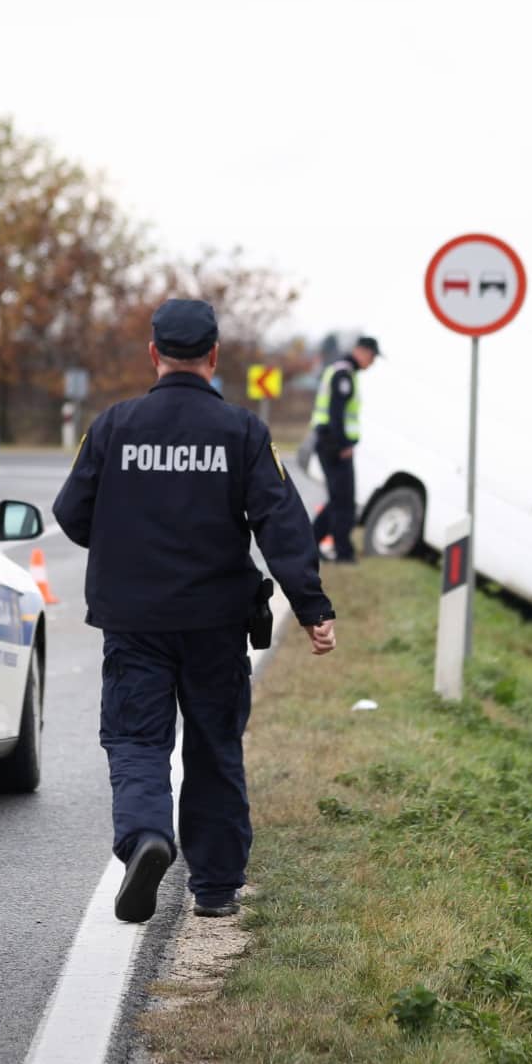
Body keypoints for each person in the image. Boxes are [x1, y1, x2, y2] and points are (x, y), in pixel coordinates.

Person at [53, 299, 338, 923]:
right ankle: (212, 887)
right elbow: (281, 523)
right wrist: (312, 607)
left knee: (135, 739)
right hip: (215, 623)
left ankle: (147, 837)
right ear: (214, 357)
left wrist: (128, 545)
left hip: (134, 622)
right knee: (214, 745)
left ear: (154, 353)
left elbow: (71, 514)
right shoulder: (243, 432)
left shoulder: (113, 426)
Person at [310, 335, 379, 562]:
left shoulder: (345, 371)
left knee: (339, 499)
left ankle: (311, 544)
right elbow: (336, 413)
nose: (373, 362)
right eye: (372, 356)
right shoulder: (344, 374)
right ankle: (343, 552)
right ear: (361, 351)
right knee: (344, 501)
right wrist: (344, 444)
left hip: (331, 443)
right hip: (334, 444)